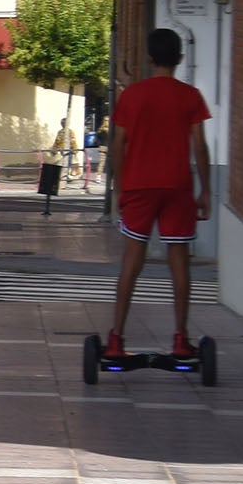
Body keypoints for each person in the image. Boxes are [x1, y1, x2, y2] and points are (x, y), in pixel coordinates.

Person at [104, 28, 211, 361]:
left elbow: (118, 146)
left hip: (139, 186)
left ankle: (117, 340)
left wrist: (119, 188)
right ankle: (181, 338)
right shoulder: (191, 96)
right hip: (177, 186)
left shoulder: (132, 96)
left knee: (131, 263)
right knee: (179, 261)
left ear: (149, 57)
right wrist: (205, 190)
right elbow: (200, 146)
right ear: (179, 58)